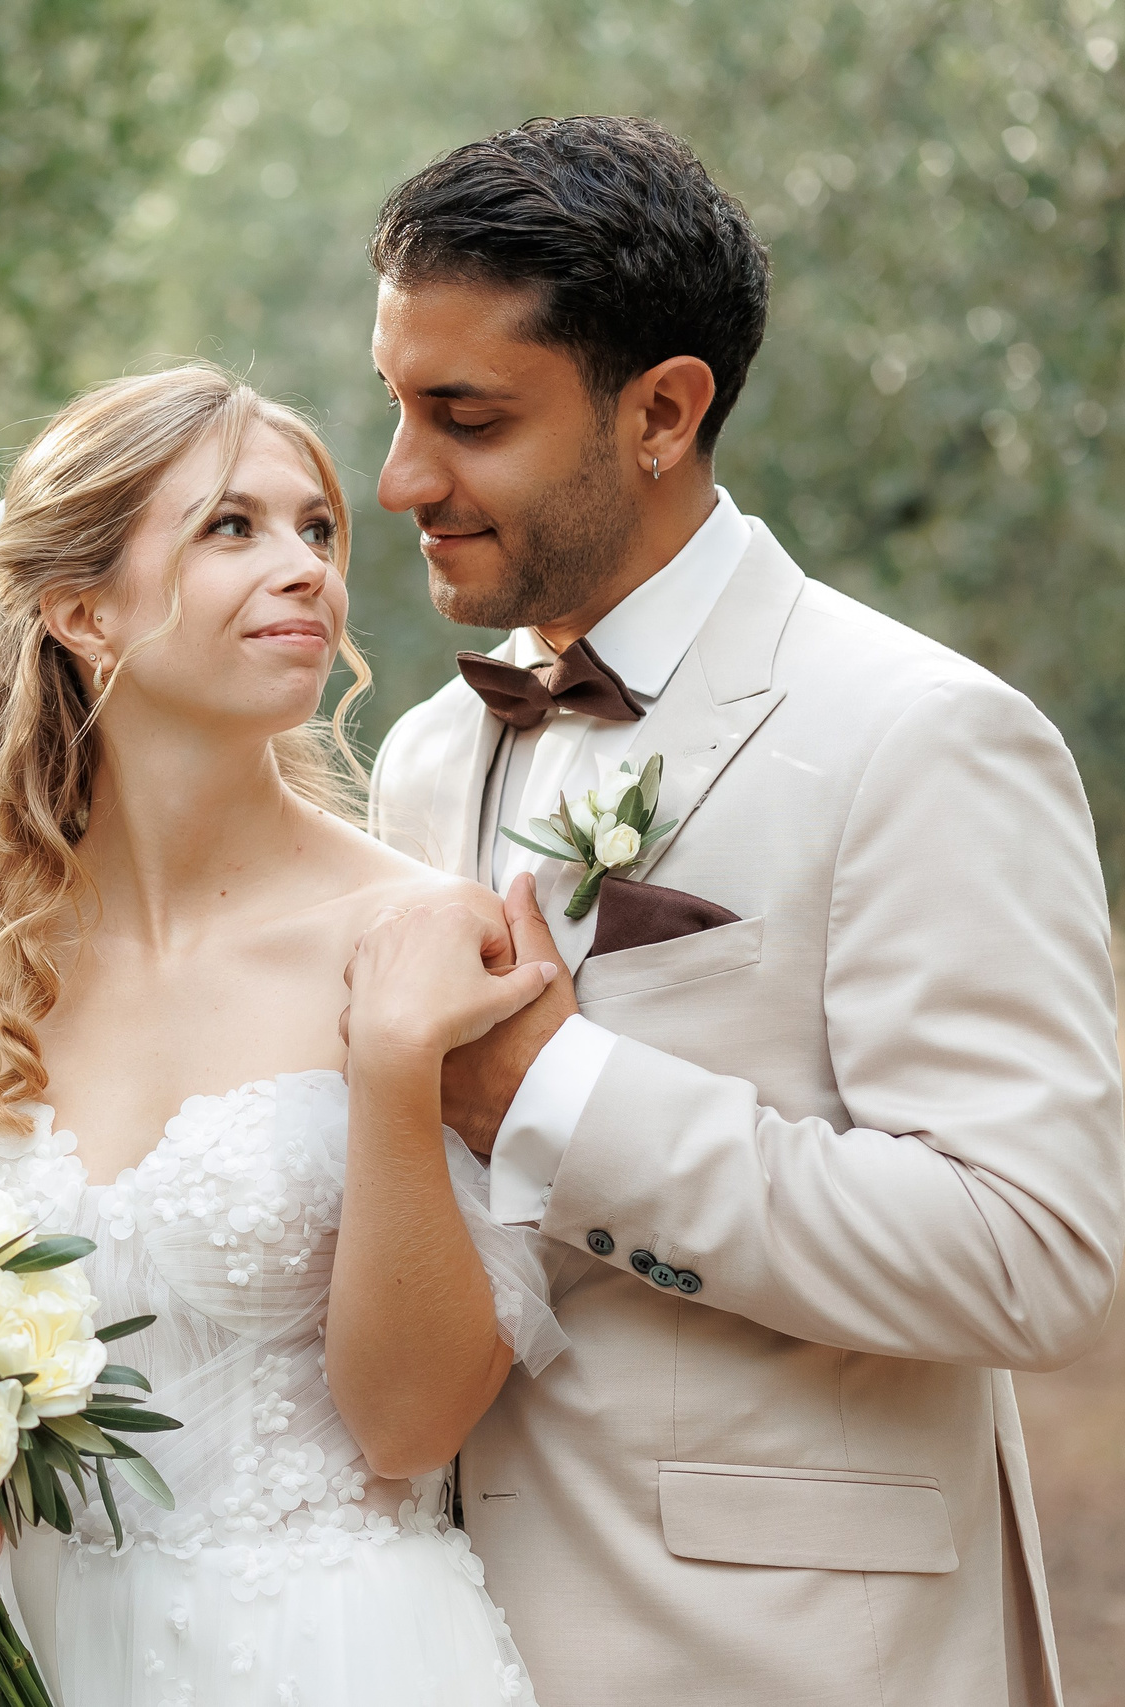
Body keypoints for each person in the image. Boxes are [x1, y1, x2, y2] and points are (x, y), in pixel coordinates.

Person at [363, 116, 1124, 1707]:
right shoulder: (427, 756)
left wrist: (557, 1097)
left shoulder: (921, 735)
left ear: (661, 412)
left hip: (780, 1659)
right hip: (422, 1638)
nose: (401, 481)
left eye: (468, 417)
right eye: (396, 409)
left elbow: (1035, 1255)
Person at [0, 363, 575, 1707]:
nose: (305, 571)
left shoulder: (418, 938)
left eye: (316, 530)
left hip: (334, 1656)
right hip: (33, 1657)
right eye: (233, 528)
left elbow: (412, 1428)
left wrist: (393, 1069)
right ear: (81, 612)